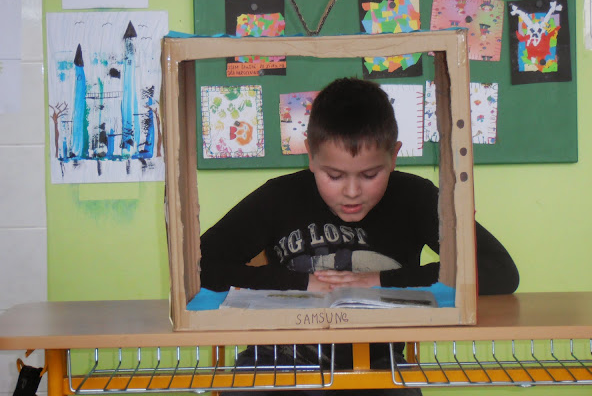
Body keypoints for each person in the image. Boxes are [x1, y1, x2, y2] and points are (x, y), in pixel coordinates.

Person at [200, 77, 519, 396]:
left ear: (394, 156)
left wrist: (379, 281)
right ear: (310, 154)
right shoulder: (278, 197)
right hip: (278, 361)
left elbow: (498, 270)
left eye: (369, 175)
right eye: (334, 175)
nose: (352, 192)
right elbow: (199, 265)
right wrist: (301, 284)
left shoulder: (415, 198)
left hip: (377, 366)